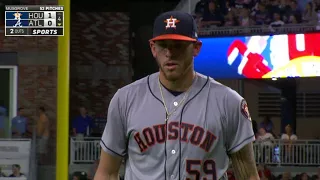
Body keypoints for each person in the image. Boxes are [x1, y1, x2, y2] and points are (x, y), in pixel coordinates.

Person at [95, 11, 259, 180]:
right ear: (153, 48)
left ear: (196, 48)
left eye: (178, 45)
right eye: (163, 45)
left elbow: (248, 176)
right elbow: (106, 172)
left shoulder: (229, 102)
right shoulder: (125, 99)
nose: (169, 53)